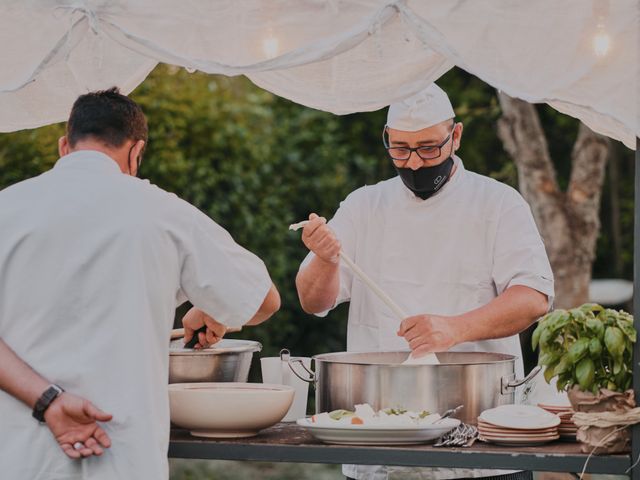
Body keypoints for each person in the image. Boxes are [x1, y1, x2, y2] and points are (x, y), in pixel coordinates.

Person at [0, 87, 280, 479]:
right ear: (136, 152)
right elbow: (263, 301)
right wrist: (210, 309)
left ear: (64, 145)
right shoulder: (163, 212)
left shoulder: (6, 209)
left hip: (16, 457)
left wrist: (49, 401)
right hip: (122, 455)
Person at [296, 84, 554, 480]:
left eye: (429, 148)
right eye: (400, 148)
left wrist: (454, 328)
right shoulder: (364, 206)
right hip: (379, 443)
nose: (414, 164)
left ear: (456, 136)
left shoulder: (498, 203)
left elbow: (534, 297)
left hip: (484, 442)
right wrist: (325, 261)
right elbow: (313, 301)